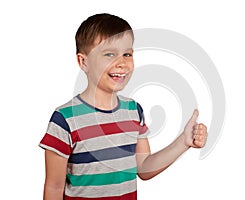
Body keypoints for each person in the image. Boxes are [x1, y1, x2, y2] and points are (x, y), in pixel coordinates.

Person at [39, 13, 208, 200]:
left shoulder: (134, 111)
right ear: (83, 61)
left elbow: (144, 167)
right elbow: (54, 187)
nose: (121, 63)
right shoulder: (64, 119)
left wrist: (183, 142)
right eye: (109, 54)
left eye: (127, 54)